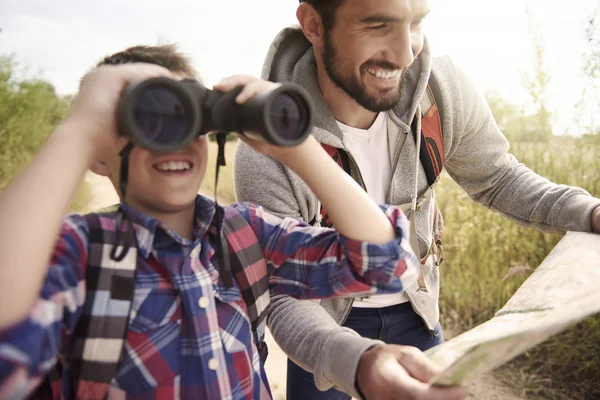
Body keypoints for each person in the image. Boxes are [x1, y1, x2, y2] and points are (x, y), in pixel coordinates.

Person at [0, 44, 467, 400]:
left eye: (189, 116)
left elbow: (382, 259)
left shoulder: (243, 233)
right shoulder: (76, 253)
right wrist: (78, 130)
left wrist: (297, 148)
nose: (174, 141)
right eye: (147, 121)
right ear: (99, 155)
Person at [233, 0, 600, 399]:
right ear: (314, 25)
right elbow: (284, 293)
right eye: (378, 25)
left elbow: (498, 178)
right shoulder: (266, 148)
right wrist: (357, 362)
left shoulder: (443, 92)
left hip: (418, 316)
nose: (407, 52)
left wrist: (589, 212)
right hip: (325, 330)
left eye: (416, 23)